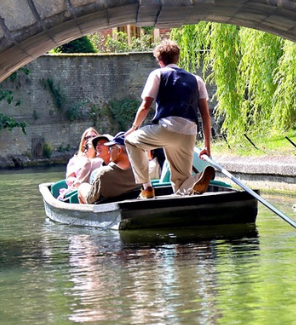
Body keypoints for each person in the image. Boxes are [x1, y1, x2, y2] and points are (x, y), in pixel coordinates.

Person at [125, 39, 214, 199]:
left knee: (131, 141)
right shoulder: (197, 80)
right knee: (181, 184)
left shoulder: (157, 74)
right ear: (177, 58)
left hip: (166, 128)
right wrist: (207, 146)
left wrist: (134, 127)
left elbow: (146, 105)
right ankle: (197, 179)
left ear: (159, 60)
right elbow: (206, 116)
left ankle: (147, 188)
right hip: (189, 133)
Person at [78, 131, 139, 204]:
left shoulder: (104, 173)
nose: (109, 151)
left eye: (111, 148)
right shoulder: (140, 170)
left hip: (107, 207)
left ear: (119, 150)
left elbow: (90, 199)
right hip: (132, 205)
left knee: (82, 187)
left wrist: (81, 188)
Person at [58, 127, 104, 200]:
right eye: (88, 137)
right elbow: (70, 178)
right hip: (78, 188)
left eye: (94, 137)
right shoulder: (75, 160)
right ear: (83, 142)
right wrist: (75, 181)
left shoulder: (102, 158)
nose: (91, 139)